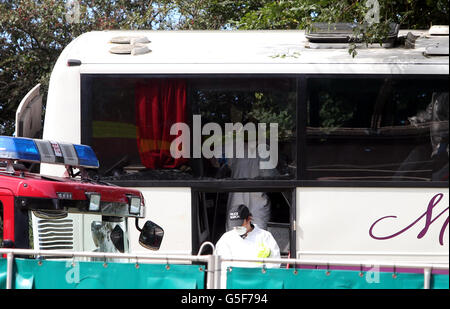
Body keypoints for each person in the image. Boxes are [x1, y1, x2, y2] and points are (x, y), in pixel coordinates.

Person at [216, 204, 281, 268]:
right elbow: (222, 266)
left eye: (240, 224)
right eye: (235, 225)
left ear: (249, 219)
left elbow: (275, 263)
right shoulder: (226, 239)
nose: (237, 228)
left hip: (259, 277)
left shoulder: (265, 236)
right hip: (235, 277)